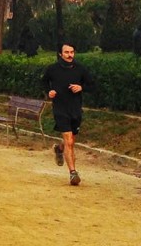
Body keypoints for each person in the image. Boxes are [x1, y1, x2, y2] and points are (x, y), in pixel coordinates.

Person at [42, 43, 95, 186]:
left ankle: (59, 148)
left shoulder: (80, 69)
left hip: (75, 109)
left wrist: (81, 87)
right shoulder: (52, 69)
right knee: (69, 141)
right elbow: (44, 82)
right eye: (66, 52)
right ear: (60, 54)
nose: (70, 55)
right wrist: (49, 92)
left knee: (70, 141)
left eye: (72, 52)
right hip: (60, 108)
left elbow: (92, 85)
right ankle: (73, 173)